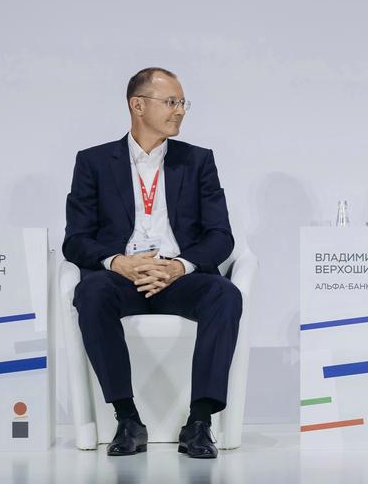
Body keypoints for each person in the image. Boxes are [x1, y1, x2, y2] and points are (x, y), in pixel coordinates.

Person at [64, 67, 240, 459]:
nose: (180, 110)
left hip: (178, 277)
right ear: (138, 105)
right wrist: (117, 262)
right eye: (171, 102)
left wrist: (180, 266)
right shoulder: (93, 162)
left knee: (225, 295)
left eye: (183, 102)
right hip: (122, 278)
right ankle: (127, 418)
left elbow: (220, 236)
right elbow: (75, 239)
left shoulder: (198, 161)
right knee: (91, 292)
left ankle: (199, 422)